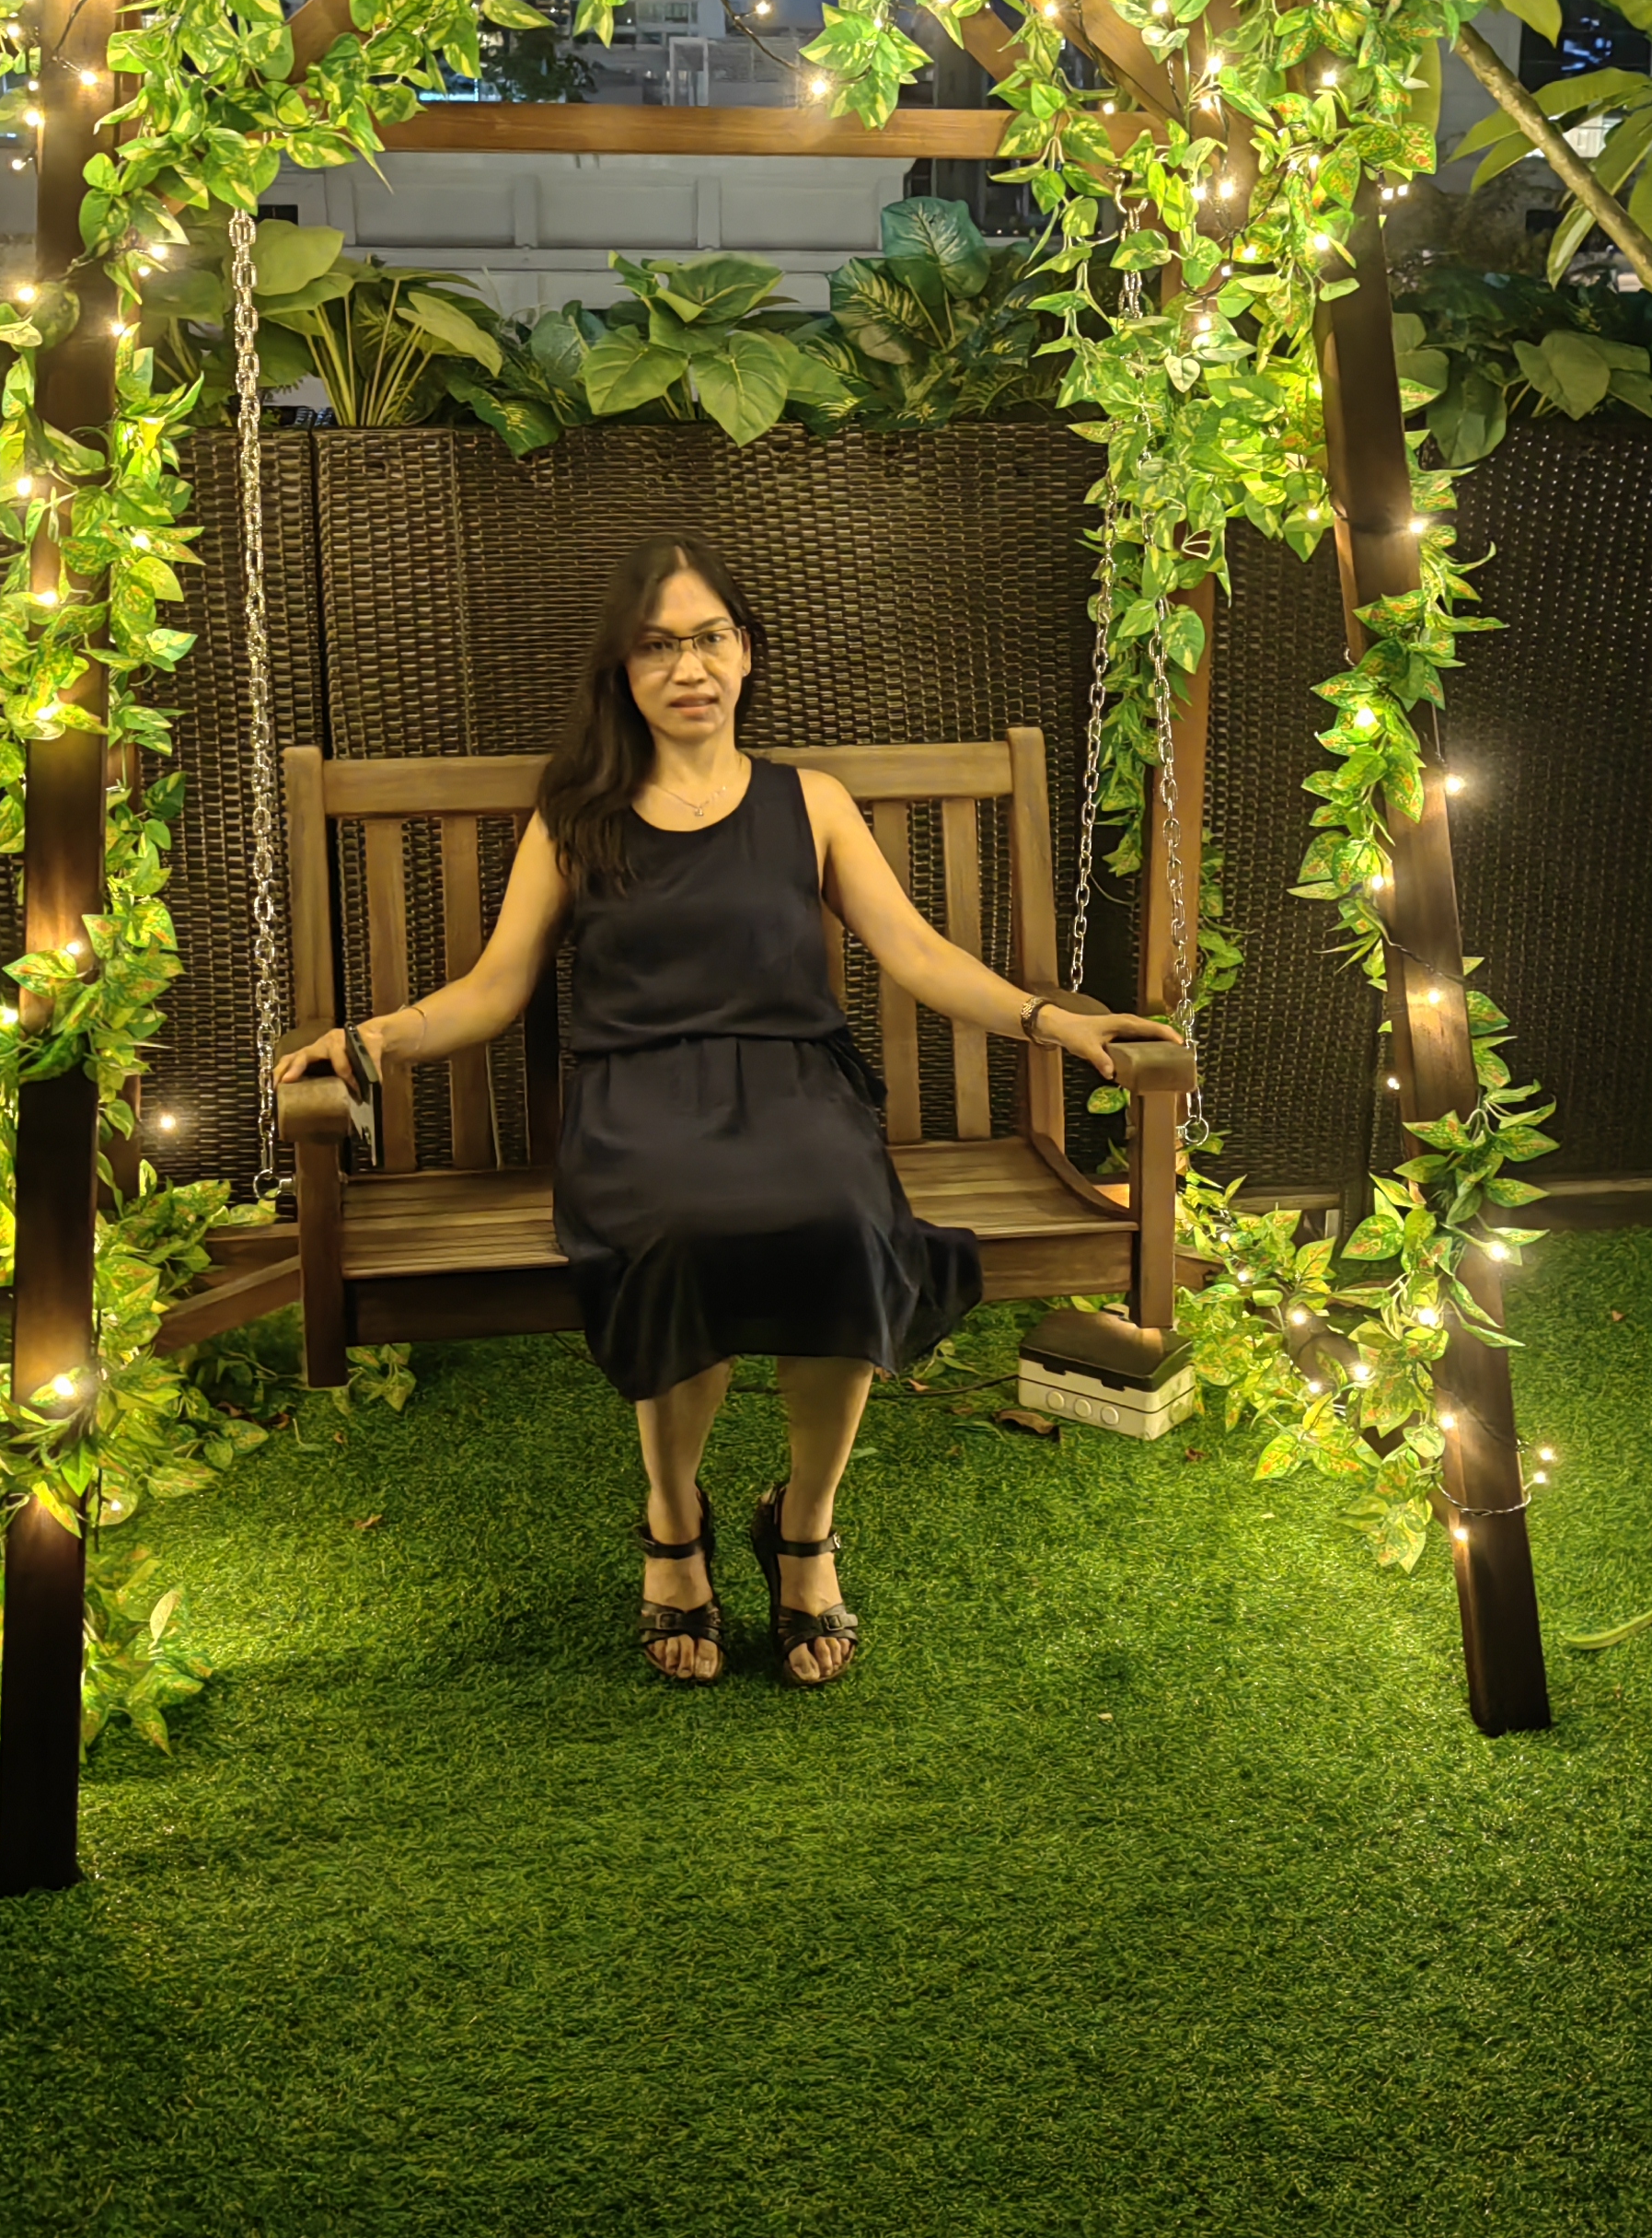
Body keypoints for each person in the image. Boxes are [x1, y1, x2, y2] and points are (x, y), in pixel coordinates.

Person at [277, 533, 1176, 1690]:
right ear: (624, 671)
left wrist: (1056, 1022)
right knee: (677, 1232)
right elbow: (495, 989)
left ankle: (804, 1526)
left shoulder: (811, 804)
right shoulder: (576, 816)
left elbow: (916, 954)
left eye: (708, 638)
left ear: (746, 651)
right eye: (657, 646)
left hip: (796, 1086)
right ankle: (672, 1519)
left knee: (843, 1225)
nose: (688, 666)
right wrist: (368, 1040)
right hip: (637, 1098)